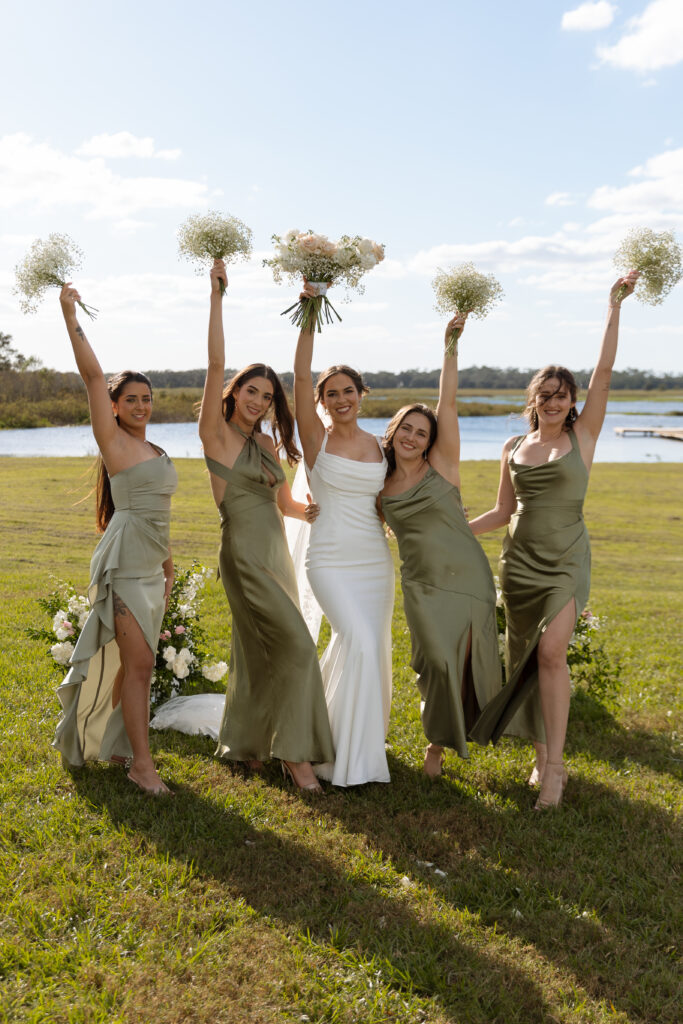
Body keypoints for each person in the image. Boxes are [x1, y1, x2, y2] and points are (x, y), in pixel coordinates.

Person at [468, 272, 639, 809]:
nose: (552, 402)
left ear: (573, 402)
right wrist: (449, 529)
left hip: (565, 560)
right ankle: (540, 757)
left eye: (562, 396)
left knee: (550, 652)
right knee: (527, 659)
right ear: (533, 398)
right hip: (518, 566)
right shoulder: (514, 446)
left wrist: (614, 307)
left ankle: (557, 770)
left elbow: (606, 372)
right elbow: (502, 510)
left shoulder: (582, 437)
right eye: (544, 395)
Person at [195, 260, 334, 791]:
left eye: (267, 395)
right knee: (297, 646)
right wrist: (217, 297)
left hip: (276, 554)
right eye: (250, 391)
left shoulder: (268, 444)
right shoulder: (217, 436)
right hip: (245, 556)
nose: (258, 400)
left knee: (258, 649)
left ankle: (250, 743)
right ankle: (295, 757)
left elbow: (283, 503)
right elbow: (212, 363)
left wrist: (313, 511)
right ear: (235, 392)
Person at [52, 284, 177, 795]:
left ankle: (121, 743)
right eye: (132, 400)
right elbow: (93, 375)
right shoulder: (115, 442)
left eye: (147, 399)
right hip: (125, 562)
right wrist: (70, 313)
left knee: (135, 666)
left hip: (154, 565)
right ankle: (141, 766)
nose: (141, 406)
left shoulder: (155, 447)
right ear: (115, 406)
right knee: (142, 665)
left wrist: (170, 566)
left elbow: (161, 514)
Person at [380, 314, 503, 779]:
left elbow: (446, 402)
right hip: (421, 583)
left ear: (431, 442)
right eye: (406, 428)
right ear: (393, 431)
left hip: (466, 574)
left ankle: (437, 746)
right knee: (433, 661)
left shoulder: (444, 466)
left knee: (463, 661)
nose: (413, 436)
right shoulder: (380, 481)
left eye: (421, 432)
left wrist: (449, 345)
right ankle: (441, 733)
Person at [293, 284, 395, 786]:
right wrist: (310, 309)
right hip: (329, 557)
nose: (340, 399)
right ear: (322, 401)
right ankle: (335, 753)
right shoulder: (316, 440)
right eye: (330, 393)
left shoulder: (383, 446)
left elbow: (389, 503)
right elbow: (297, 377)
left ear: (362, 394)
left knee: (370, 646)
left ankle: (352, 738)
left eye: (347, 391)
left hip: (374, 561)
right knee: (355, 640)